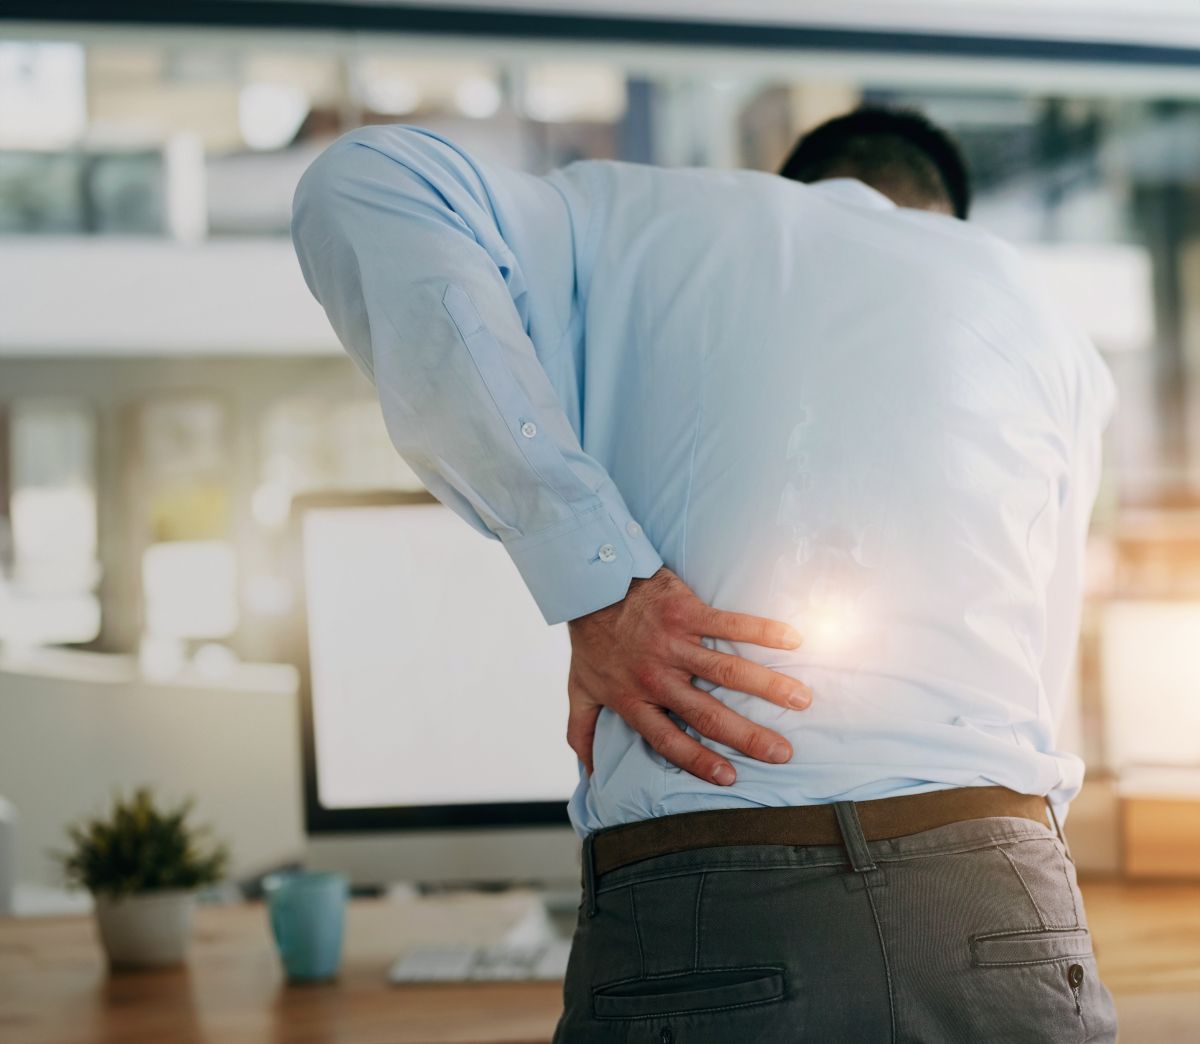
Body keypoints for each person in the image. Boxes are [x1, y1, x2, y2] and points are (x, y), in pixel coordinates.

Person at [292, 107, 1118, 1042]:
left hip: (718, 914)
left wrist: (601, 578)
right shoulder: (1037, 315)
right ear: (947, 223)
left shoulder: (640, 217)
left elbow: (363, 178)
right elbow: (1040, 687)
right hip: (1004, 905)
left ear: (786, 183)